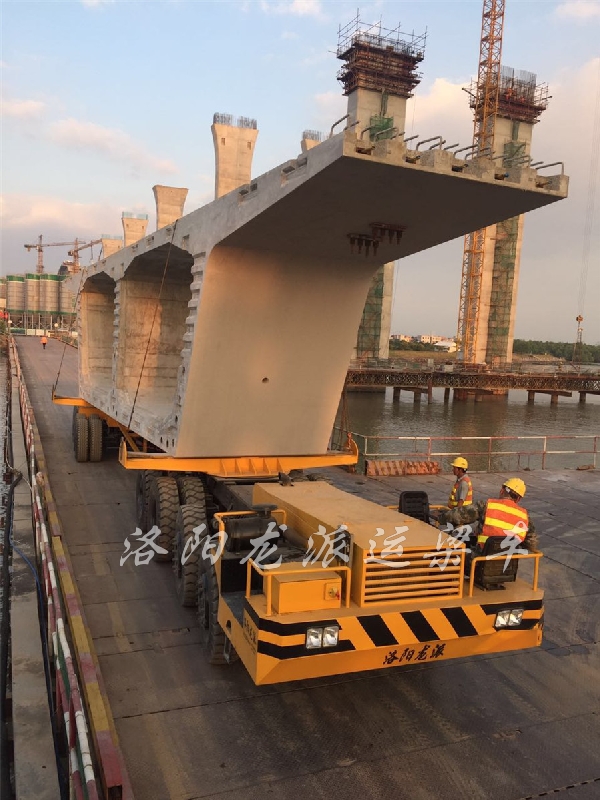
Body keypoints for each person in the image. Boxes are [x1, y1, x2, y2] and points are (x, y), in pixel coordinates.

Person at [476, 478, 530, 553]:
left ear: (501, 491)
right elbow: (531, 542)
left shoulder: (487, 506)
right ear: (518, 499)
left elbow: (461, 515)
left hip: (482, 557)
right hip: (508, 559)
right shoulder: (524, 516)